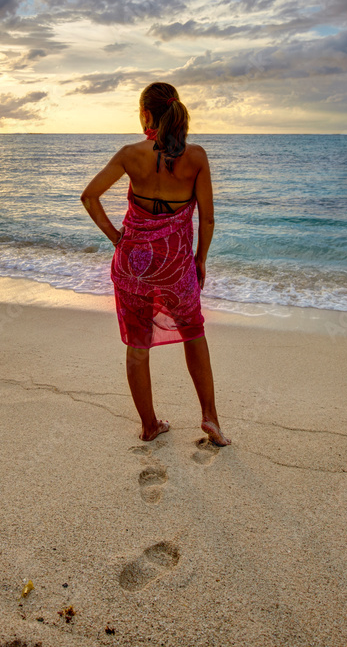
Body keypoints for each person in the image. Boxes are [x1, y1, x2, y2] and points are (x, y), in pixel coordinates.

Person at [80, 81, 230, 446]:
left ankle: (149, 425)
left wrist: (118, 238)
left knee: (137, 345)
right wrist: (200, 260)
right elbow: (207, 219)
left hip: (132, 264)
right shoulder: (196, 157)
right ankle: (210, 418)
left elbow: (90, 197)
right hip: (177, 267)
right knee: (194, 334)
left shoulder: (131, 154)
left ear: (146, 114)